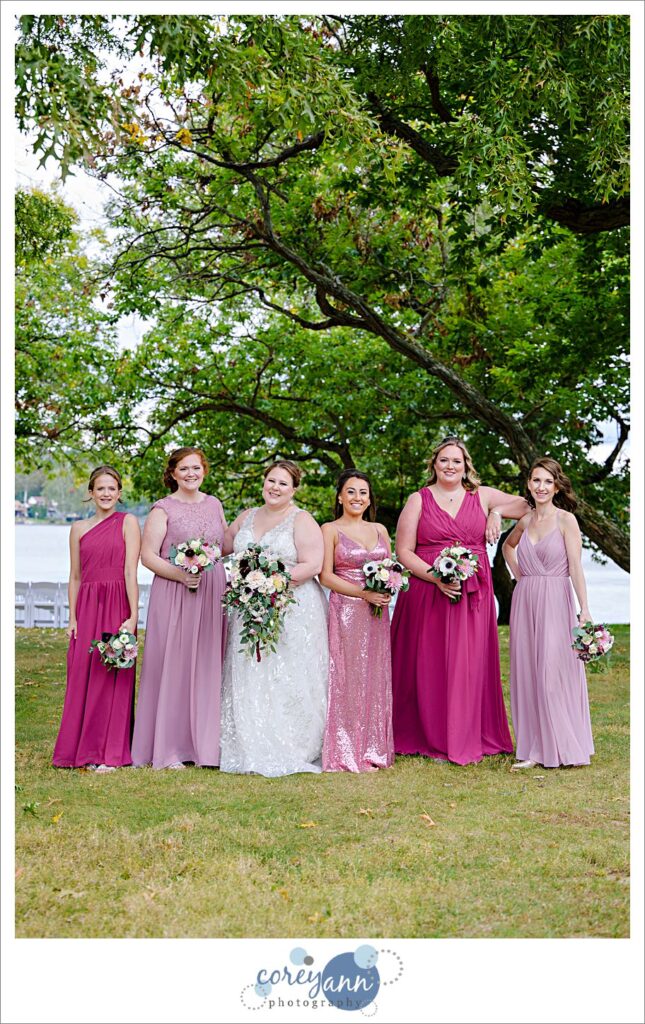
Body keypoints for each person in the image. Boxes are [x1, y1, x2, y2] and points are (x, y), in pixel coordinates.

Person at [391, 437, 529, 765]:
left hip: (473, 594)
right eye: (444, 460)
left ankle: (467, 732)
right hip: (428, 592)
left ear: (466, 466)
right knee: (429, 662)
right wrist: (435, 577)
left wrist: (496, 512)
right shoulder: (418, 499)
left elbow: (528, 505)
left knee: (469, 662)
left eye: (457, 461)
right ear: (434, 464)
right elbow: (403, 551)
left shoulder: (482, 495)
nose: (450, 466)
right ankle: (429, 734)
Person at [220, 460, 328, 776]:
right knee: (251, 670)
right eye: (271, 481)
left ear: (293, 490)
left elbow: (313, 564)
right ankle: (250, 739)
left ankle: (296, 744)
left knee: (289, 675)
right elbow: (222, 547)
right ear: (263, 482)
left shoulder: (302, 520)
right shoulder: (246, 516)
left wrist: (271, 582)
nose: (275, 487)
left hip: (292, 608)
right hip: (249, 607)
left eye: (283, 483)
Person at [131, 447, 227, 769]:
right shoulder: (163, 509)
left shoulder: (215, 504)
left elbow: (223, 546)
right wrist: (181, 575)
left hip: (211, 591)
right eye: (183, 468)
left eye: (196, 468)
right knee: (173, 662)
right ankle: (169, 746)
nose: (190, 474)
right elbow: (148, 556)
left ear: (204, 470)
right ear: (173, 473)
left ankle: (206, 746)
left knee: (207, 663)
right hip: (174, 591)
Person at [502, 457, 594, 769]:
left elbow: (576, 567)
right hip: (525, 599)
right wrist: (520, 575)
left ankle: (563, 745)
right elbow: (508, 547)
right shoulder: (525, 521)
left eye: (547, 481)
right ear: (529, 484)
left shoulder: (567, 520)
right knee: (528, 671)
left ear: (556, 487)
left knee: (552, 671)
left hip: (556, 599)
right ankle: (533, 749)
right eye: (536, 480)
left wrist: (585, 609)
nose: (541, 487)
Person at [53, 465, 140, 772]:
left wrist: (133, 615)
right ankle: (81, 749)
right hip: (88, 606)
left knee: (112, 673)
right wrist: (73, 617)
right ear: (90, 493)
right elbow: (75, 576)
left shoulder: (128, 522)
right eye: (100, 488)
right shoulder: (78, 528)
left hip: (117, 604)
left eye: (111, 488)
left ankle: (110, 752)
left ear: (119, 493)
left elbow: (130, 572)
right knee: (82, 672)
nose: (106, 493)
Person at [320, 470, 394, 772]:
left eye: (363, 492)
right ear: (340, 497)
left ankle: (375, 747)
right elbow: (325, 576)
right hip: (346, 611)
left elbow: (390, 568)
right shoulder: (330, 529)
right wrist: (364, 594)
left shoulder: (380, 529)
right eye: (351, 491)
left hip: (377, 614)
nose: (357, 498)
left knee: (375, 675)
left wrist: (387, 587)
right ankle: (346, 749)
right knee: (347, 677)